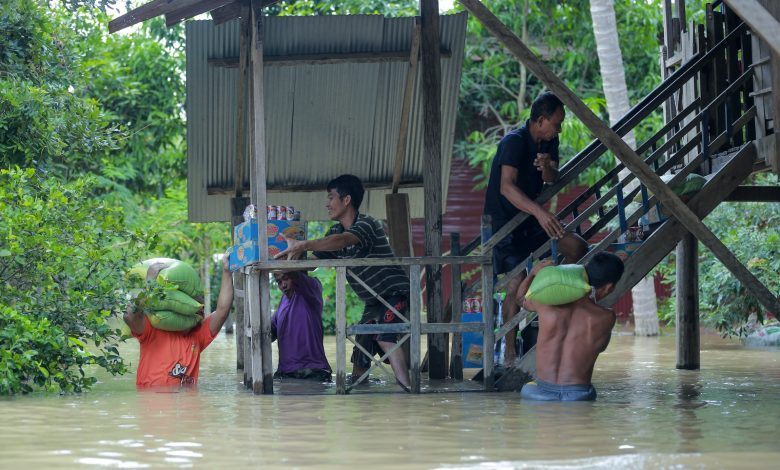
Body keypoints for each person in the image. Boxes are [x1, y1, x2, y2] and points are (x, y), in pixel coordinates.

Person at [276, 174, 411, 391]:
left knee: (386, 337)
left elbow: (342, 241)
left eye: (331, 198)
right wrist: (285, 261)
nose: (327, 204)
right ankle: (361, 393)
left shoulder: (367, 224)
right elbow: (311, 265)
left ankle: (409, 392)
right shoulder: (335, 231)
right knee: (360, 355)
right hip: (373, 300)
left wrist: (303, 244)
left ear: (346, 200)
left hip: (396, 292)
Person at [483, 91, 587, 366]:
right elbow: (506, 187)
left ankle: (546, 297)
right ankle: (510, 351)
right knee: (514, 283)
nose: (559, 128)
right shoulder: (513, 142)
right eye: (556, 123)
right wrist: (540, 212)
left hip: (531, 220)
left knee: (576, 247)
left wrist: (546, 170)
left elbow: (553, 177)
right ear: (540, 120)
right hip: (505, 225)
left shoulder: (550, 141)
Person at [517, 252, 625, 401]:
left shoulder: (544, 304)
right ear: (609, 287)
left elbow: (520, 299)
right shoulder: (607, 317)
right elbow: (601, 347)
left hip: (538, 394)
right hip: (577, 396)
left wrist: (533, 274)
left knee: (530, 388)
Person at [123, 255, 234, 389]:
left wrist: (227, 271)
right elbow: (129, 316)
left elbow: (222, 311)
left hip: (186, 407)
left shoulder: (197, 336)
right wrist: (150, 284)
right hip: (152, 404)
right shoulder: (153, 328)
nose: (200, 309)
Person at [271, 270, 332, 382]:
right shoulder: (283, 302)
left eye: (286, 278)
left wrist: (285, 259)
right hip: (286, 373)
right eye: (279, 282)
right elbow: (269, 332)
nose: (283, 285)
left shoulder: (311, 290)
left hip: (313, 372)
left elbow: (296, 274)